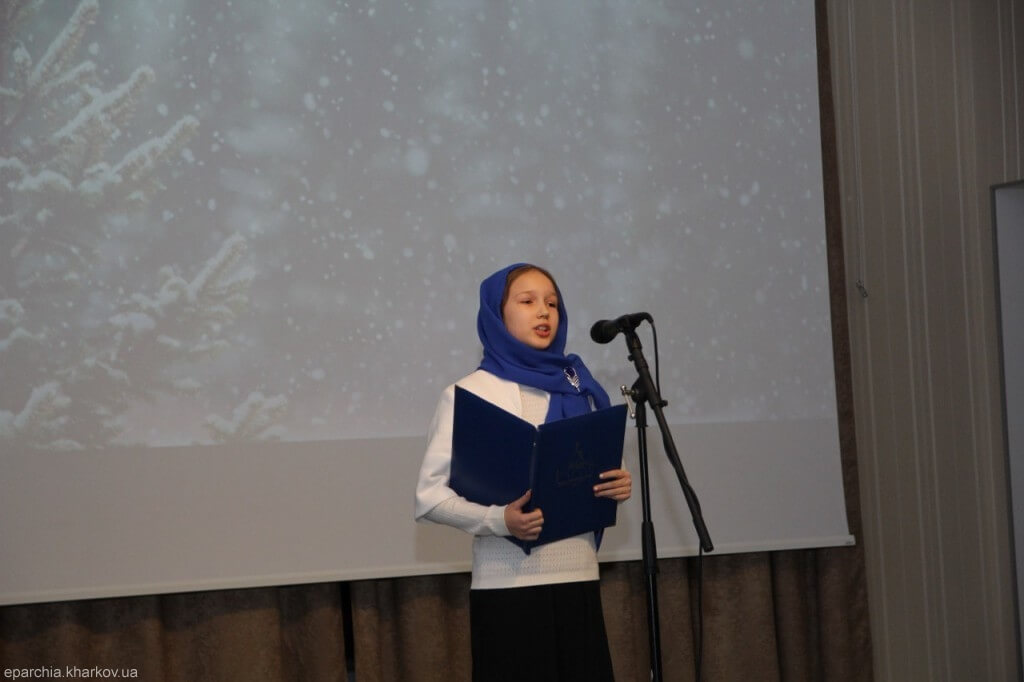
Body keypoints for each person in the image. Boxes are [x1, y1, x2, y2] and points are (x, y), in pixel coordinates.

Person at [415, 263, 632, 682]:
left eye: (552, 303)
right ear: (497, 314)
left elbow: (593, 467)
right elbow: (429, 498)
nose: (544, 312)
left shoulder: (579, 388)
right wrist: (499, 520)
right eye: (528, 301)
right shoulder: (469, 394)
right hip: (507, 589)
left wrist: (618, 482)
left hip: (578, 578)